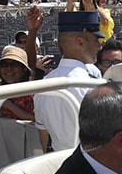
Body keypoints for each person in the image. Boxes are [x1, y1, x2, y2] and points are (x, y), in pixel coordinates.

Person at [34, 11, 104, 152]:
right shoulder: (95, 86)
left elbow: (44, 139)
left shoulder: (42, 86)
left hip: (57, 163)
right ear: (80, 42)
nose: (99, 47)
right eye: (96, 41)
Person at [0, 46, 35, 121]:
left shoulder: (31, 93)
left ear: (24, 69)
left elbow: (36, 119)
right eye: (5, 64)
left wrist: (8, 105)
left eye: (14, 64)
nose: (9, 68)